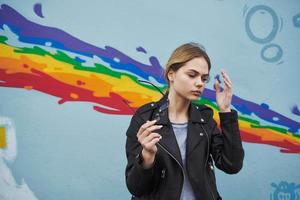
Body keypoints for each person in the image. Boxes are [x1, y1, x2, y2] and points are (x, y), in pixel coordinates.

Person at [125, 42, 244, 200]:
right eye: (192, 75)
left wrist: (225, 111)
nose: (200, 83)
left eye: (204, 78)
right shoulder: (145, 118)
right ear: (171, 74)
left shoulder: (205, 118)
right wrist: (146, 156)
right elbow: (136, 188)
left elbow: (232, 165)